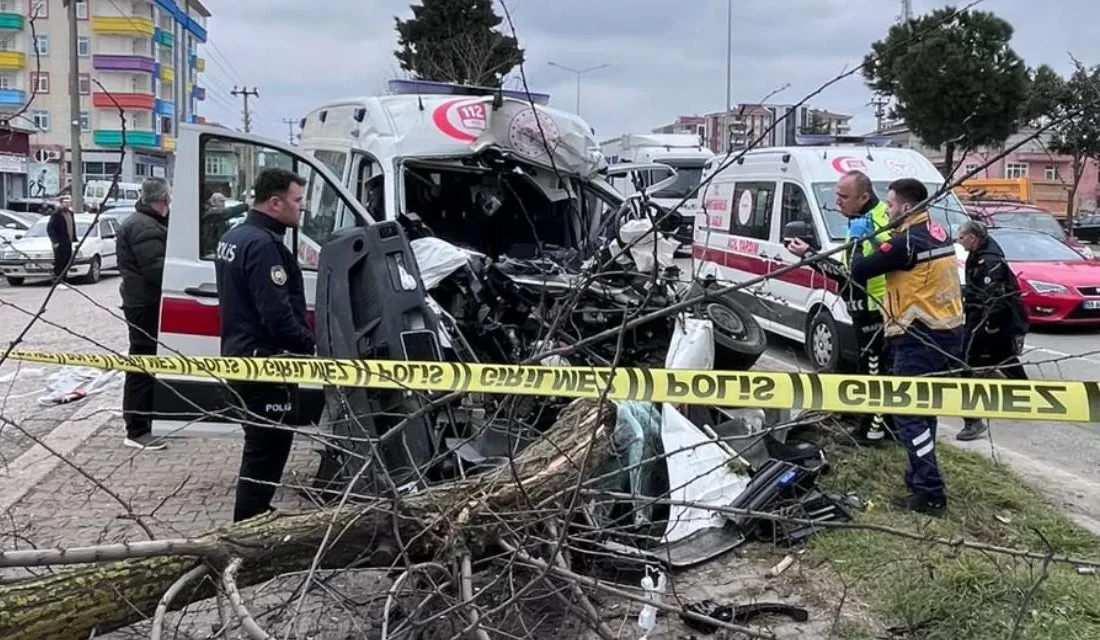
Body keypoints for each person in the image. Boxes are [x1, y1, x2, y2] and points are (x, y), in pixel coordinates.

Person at [848, 178, 966, 517]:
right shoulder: (937, 231)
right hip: (946, 332)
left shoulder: (906, 243)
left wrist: (860, 238)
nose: (886, 211)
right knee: (923, 410)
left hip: (918, 336)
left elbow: (859, 269)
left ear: (906, 207)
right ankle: (918, 482)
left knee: (908, 415)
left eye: (890, 205)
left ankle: (930, 492)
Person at [215, 168, 315, 522]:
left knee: (260, 446)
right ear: (275, 203)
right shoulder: (263, 245)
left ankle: (256, 513)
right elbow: (277, 315)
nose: (302, 209)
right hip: (265, 365)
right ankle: (249, 525)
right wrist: (311, 345)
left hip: (241, 358)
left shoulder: (236, 236)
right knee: (267, 449)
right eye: (297, 201)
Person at [788, 170, 894, 444]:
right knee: (870, 367)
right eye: (836, 194)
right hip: (863, 307)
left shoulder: (874, 223)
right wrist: (810, 255)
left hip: (876, 309)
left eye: (844, 196)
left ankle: (872, 431)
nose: (838, 202)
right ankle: (875, 423)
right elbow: (847, 269)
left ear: (864, 197)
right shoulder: (860, 219)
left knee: (874, 371)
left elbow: (852, 274)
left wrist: (810, 256)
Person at [955, 219, 1029, 441]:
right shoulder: (980, 255)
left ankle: (972, 421)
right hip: (988, 320)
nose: (960, 241)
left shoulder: (988, 261)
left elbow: (995, 297)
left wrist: (989, 325)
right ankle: (1027, 395)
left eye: (962, 237)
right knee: (1004, 357)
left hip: (988, 321)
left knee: (965, 364)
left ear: (973, 237)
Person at [116, 178, 171, 450]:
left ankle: (146, 420)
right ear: (160, 200)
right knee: (142, 363)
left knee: (147, 362)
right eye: (167, 201)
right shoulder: (142, 226)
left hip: (141, 302)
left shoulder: (145, 222)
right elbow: (157, 269)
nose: (169, 206)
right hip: (144, 305)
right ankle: (137, 429)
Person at [46, 202, 75, 284]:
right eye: (64, 203)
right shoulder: (56, 215)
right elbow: (50, 228)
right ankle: (57, 280)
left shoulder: (70, 214)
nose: (66, 205)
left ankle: (64, 279)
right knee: (59, 261)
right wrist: (54, 241)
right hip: (59, 242)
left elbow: (71, 226)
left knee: (67, 260)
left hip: (68, 241)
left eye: (68, 203)